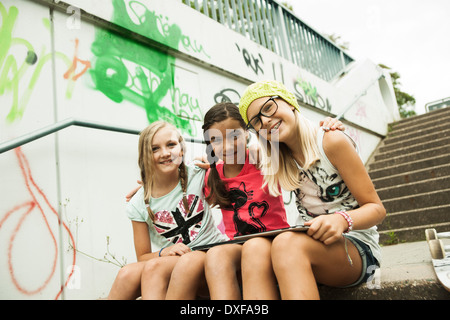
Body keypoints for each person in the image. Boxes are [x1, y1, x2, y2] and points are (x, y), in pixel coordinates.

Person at [238, 80, 386, 299]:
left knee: (286, 243)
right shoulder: (276, 156)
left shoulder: (330, 141)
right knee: (253, 248)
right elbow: (229, 154)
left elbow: (377, 209)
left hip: (358, 246)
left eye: (268, 108)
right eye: (256, 121)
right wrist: (206, 161)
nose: (266, 121)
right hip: (311, 244)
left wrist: (342, 219)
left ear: (289, 102)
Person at [107, 121, 227, 300]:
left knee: (155, 268)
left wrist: (215, 165)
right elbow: (143, 256)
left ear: (181, 148)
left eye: (171, 144)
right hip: (176, 258)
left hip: (210, 251)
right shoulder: (139, 203)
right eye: (154, 149)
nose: (165, 153)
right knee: (126, 273)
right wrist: (164, 252)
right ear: (144, 156)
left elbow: (237, 176)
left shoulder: (198, 174)